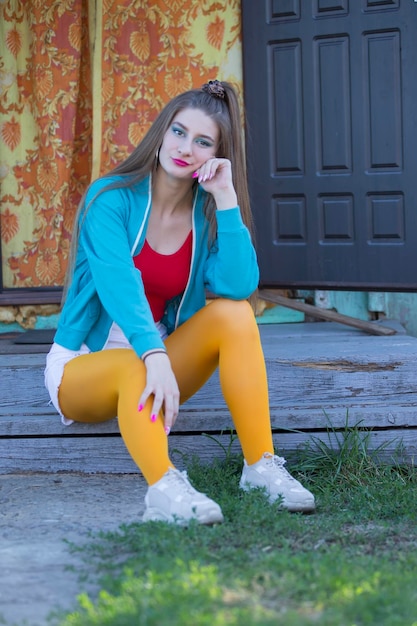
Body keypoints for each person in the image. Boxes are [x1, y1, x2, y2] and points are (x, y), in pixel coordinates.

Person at [44, 79, 315, 525]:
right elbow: (119, 285)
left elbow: (238, 284)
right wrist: (152, 353)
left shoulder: (203, 216)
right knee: (133, 363)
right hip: (83, 367)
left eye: (203, 142)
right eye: (179, 132)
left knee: (234, 314)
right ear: (161, 133)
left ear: (215, 156)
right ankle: (164, 487)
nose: (186, 148)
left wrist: (226, 200)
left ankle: (261, 466)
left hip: (159, 365)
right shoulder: (109, 200)